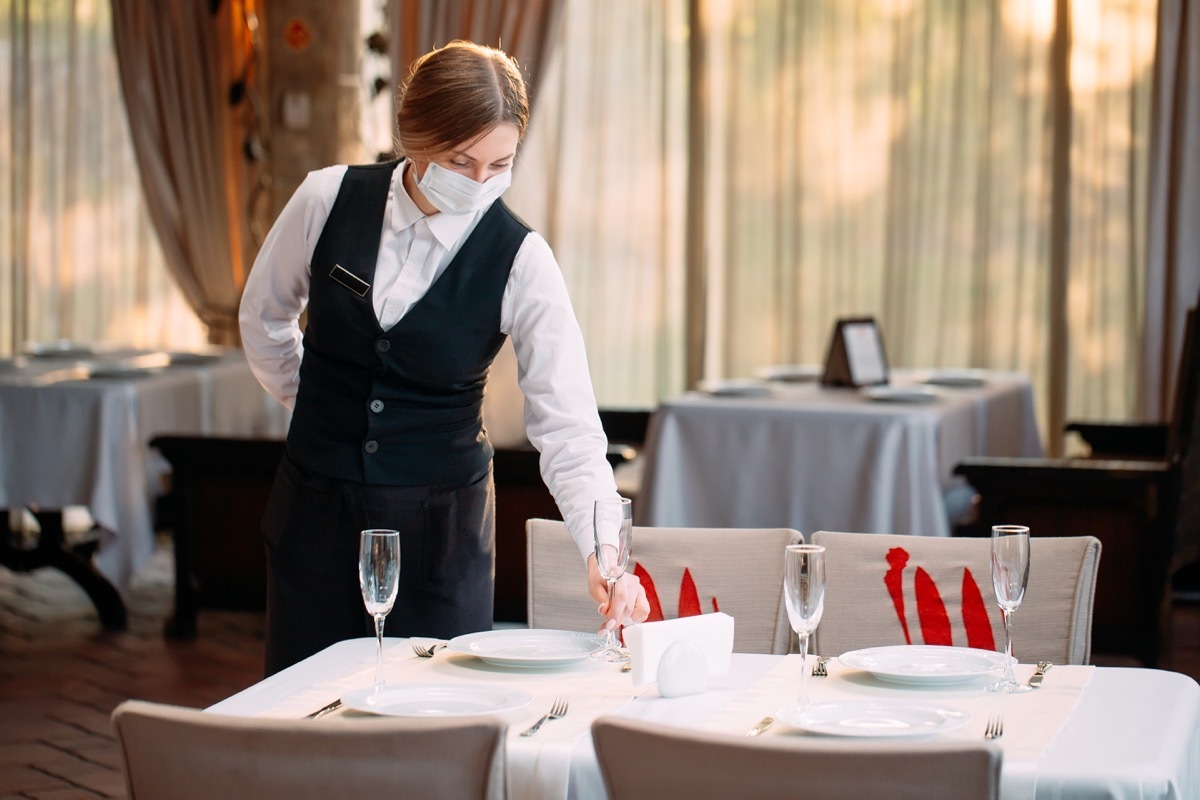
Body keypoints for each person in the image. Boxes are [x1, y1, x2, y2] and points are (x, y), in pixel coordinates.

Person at [239, 39, 649, 675]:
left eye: (500, 162)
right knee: (305, 717)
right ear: (414, 136)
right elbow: (263, 319)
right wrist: (316, 406)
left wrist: (603, 554)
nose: (481, 183)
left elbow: (567, 428)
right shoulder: (326, 200)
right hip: (315, 515)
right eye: (461, 162)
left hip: (440, 535)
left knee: (435, 726)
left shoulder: (522, 260)